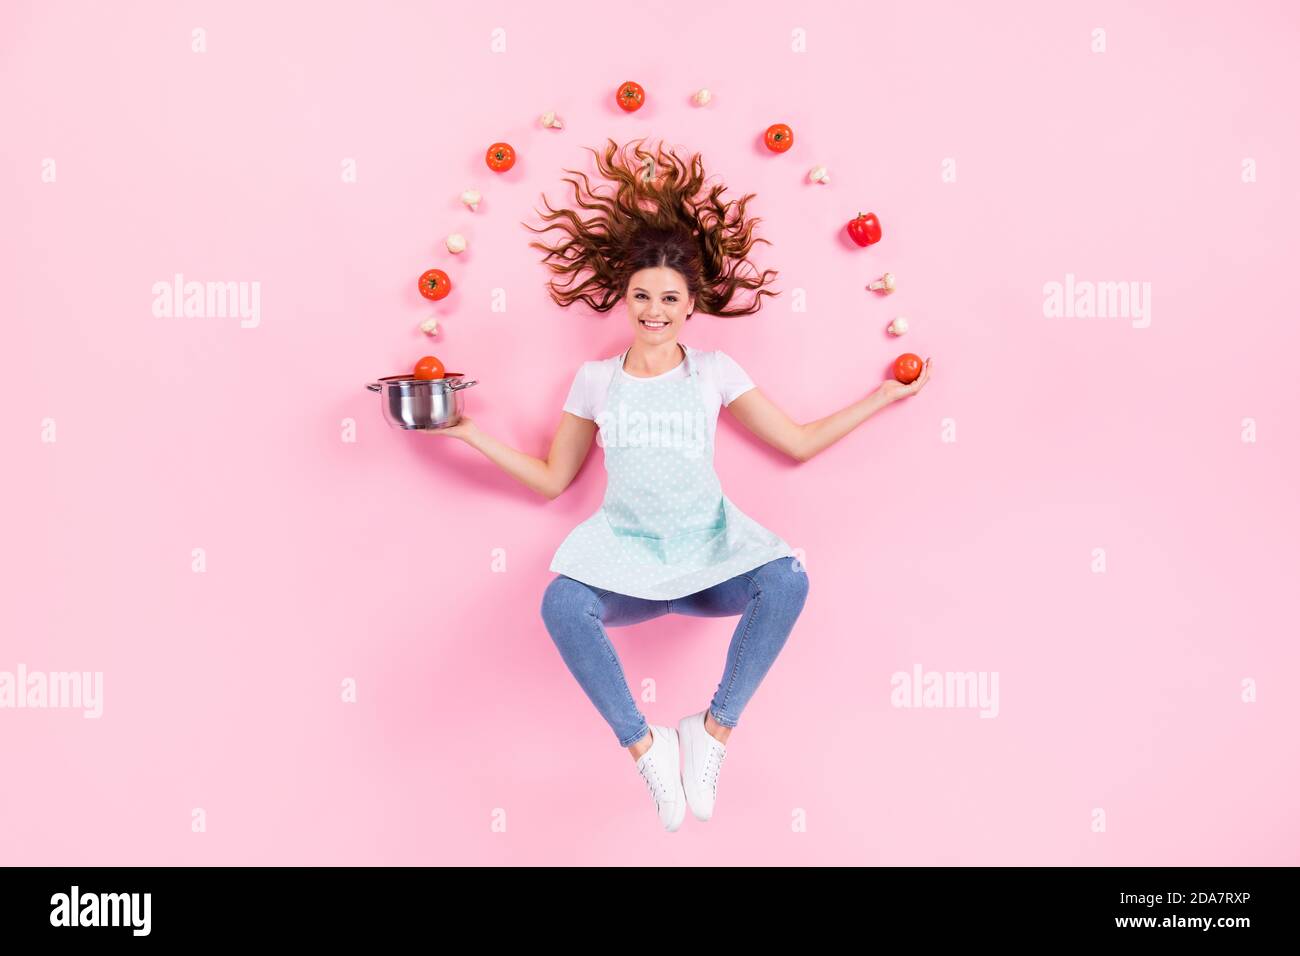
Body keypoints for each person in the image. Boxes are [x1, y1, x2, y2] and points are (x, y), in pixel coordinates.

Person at [424, 138, 932, 831]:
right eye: (641, 296)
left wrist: (881, 399)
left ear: (692, 304)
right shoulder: (595, 381)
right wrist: (467, 432)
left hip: (707, 560)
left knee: (787, 579)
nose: (654, 309)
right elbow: (552, 480)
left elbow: (798, 441)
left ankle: (711, 732)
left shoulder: (714, 372)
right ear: (624, 300)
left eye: (669, 297)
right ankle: (647, 747)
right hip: (627, 564)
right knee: (562, 604)